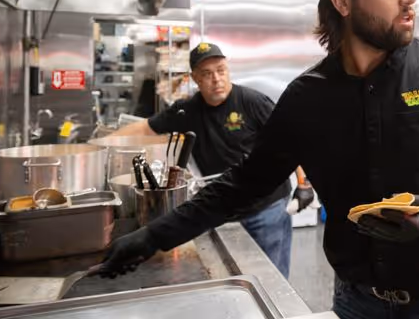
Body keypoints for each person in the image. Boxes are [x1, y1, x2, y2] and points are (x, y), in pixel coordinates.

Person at [98, 0, 419, 319]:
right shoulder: (308, 97)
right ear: (342, 0)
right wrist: (153, 237)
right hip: (359, 304)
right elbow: (245, 183)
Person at [108, 42, 314, 278]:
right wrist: (99, 143)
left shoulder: (252, 102)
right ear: (194, 78)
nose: (216, 79)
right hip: (223, 208)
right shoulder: (187, 111)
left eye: (221, 70)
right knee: (237, 275)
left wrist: (304, 184)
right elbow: (145, 128)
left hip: (266, 207)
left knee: (272, 277)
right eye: (207, 74)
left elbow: (288, 143)